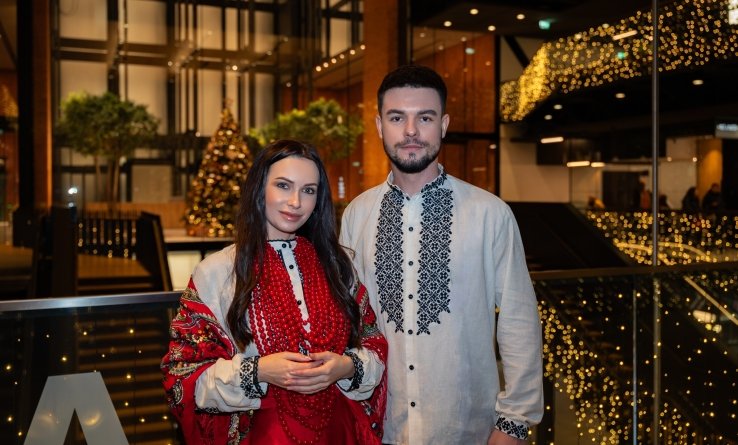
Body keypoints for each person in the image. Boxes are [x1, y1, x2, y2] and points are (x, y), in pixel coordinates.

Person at [339, 65, 543, 444]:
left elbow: (519, 321)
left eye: (425, 118)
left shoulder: (490, 214)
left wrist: (514, 424)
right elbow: (349, 322)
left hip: (468, 430)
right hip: (380, 429)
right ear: (380, 126)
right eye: (397, 118)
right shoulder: (357, 215)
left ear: (444, 125)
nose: (411, 131)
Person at [162, 139, 388, 444]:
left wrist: (346, 367)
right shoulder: (216, 273)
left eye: (309, 190)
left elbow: (374, 344)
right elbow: (182, 376)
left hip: (341, 432)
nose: (296, 201)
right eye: (283, 185)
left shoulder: (338, 265)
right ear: (259, 189)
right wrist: (259, 371)